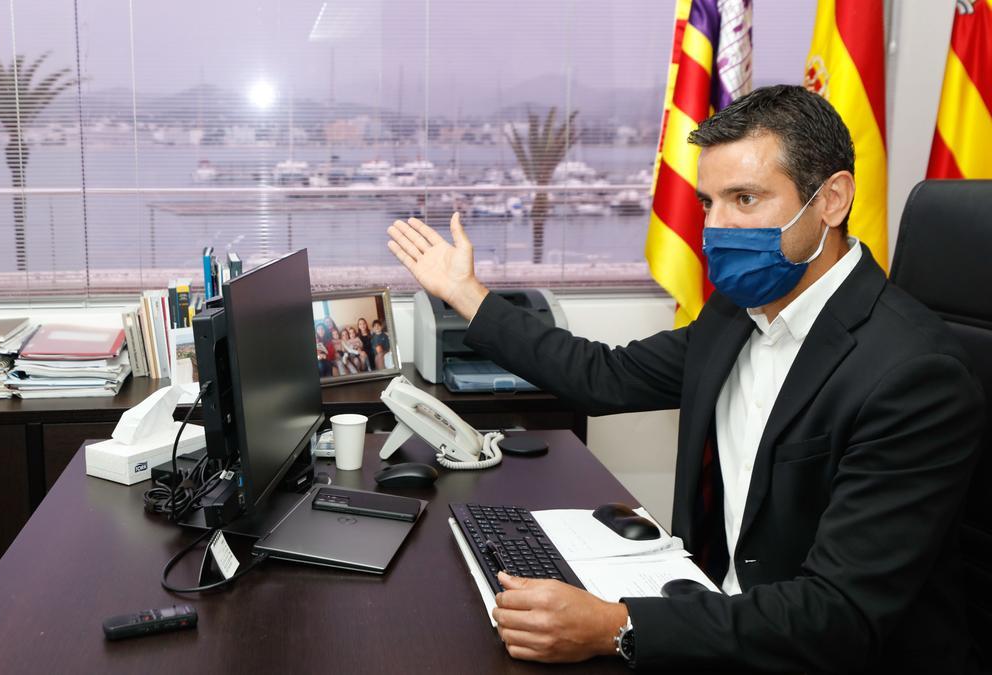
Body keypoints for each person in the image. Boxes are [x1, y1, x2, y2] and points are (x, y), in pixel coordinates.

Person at [386, 85, 985, 672]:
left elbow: (838, 614)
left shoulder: (914, 376)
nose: (715, 229)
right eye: (708, 203)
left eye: (744, 200)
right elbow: (604, 375)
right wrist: (466, 295)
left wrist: (617, 626)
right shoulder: (735, 314)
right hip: (719, 622)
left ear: (831, 199)